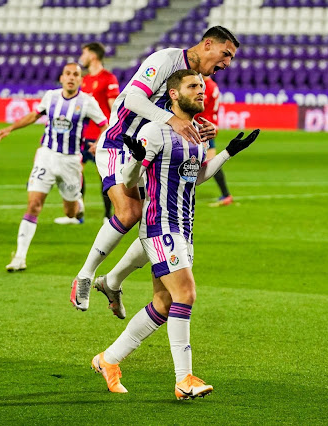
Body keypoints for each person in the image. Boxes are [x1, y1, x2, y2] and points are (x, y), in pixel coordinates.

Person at [90, 69, 259, 399]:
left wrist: (227, 152)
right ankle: (185, 379)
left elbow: (196, 177)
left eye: (202, 86)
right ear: (173, 94)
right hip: (160, 227)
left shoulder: (196, 132)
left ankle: (108, 360)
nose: (201, 91)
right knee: (186, 294)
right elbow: (127, 181)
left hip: (184, 228)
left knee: (164, 303)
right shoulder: (155, 131)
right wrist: (137, 161)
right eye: (193, 86)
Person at [70, 26, 240, 312]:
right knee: (130, 212)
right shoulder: (164, 60)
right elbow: (133, 100)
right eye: (225, 54)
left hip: (151, 151)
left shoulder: (196, 79)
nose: (226, 63)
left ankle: (111, 282)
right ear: (208, 45)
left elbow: (178, 114)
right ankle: (85, 275)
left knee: (157, 223)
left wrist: (200, 127)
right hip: (119, 143)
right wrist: (171, 121)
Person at [0, 63, 107, 271]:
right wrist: (10, 128)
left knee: (71, 212)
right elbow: (34, 115)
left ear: (81, 79)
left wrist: (99, 142)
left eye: (76, 74)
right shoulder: (51, 97)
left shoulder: (87, 102)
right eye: (68, 74)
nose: (71, 77)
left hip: (71, 161)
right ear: (62, 78)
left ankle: (78, 206)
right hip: (46, 156)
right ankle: (20, 257)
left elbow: (105, 125)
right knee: (34, 205)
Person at [54, 42, 120, 225]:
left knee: (105, 176)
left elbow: (114, 109)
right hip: (81, 136)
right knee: (75, 174)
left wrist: (110, 134)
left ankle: (109, 216)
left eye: (84, 53)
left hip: (102, 137)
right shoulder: (84, 79)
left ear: (93, 56)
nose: (81, 57)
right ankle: (77, 216)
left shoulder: (109, 78)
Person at [197, 75, 233, 207]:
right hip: (202, 127)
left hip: (202, 128)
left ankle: (226, 195)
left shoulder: (209, 86)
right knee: (210, 163)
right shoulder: (208, 85)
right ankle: (226, 194)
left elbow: (204, 108)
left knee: (210, 164)